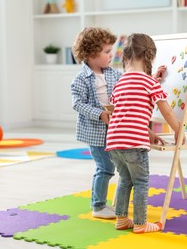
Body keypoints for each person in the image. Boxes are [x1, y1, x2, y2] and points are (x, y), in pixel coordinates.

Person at [71, 28, 167, 219]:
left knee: (116, 170)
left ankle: (114, 206)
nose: (111, 55)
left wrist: (153, 80)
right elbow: (77, 103)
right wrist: (99, 114)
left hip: (116, 130)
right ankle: (98, 206)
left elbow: (133, 87)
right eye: (106, 52)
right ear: (90, 54)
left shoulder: (114, 75)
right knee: (105, 168)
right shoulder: (81, 78)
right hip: (96, 133)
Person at [106, 33, 185, 234]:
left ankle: (122, 219)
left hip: (114, 143)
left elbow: (124, 113)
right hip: (134, 145)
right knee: (141, 182)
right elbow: (166, 110)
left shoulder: (120, 82)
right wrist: (178, 130)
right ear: (149, 57)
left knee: (125, 180)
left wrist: (147, 131)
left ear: (126, 57)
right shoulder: (150, 84)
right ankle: (141, 223)